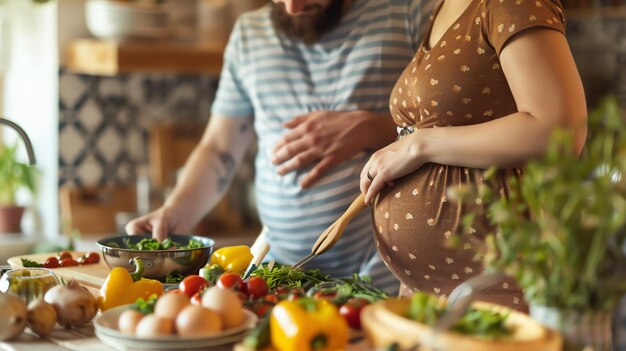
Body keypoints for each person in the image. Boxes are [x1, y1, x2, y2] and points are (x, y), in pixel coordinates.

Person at [126, 0, 434, 294]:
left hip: (382, 274)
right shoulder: (249, 35)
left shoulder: (409, 14)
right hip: (278, 273)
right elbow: (220, 149)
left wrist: (373, 129)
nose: (292, 8)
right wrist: (175, 211)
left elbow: (447, 132)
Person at [359, 0, 587, 308]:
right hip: (433, 294)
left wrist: (419, 145)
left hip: (500, 290)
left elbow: (559, 131)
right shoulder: (443, 6)